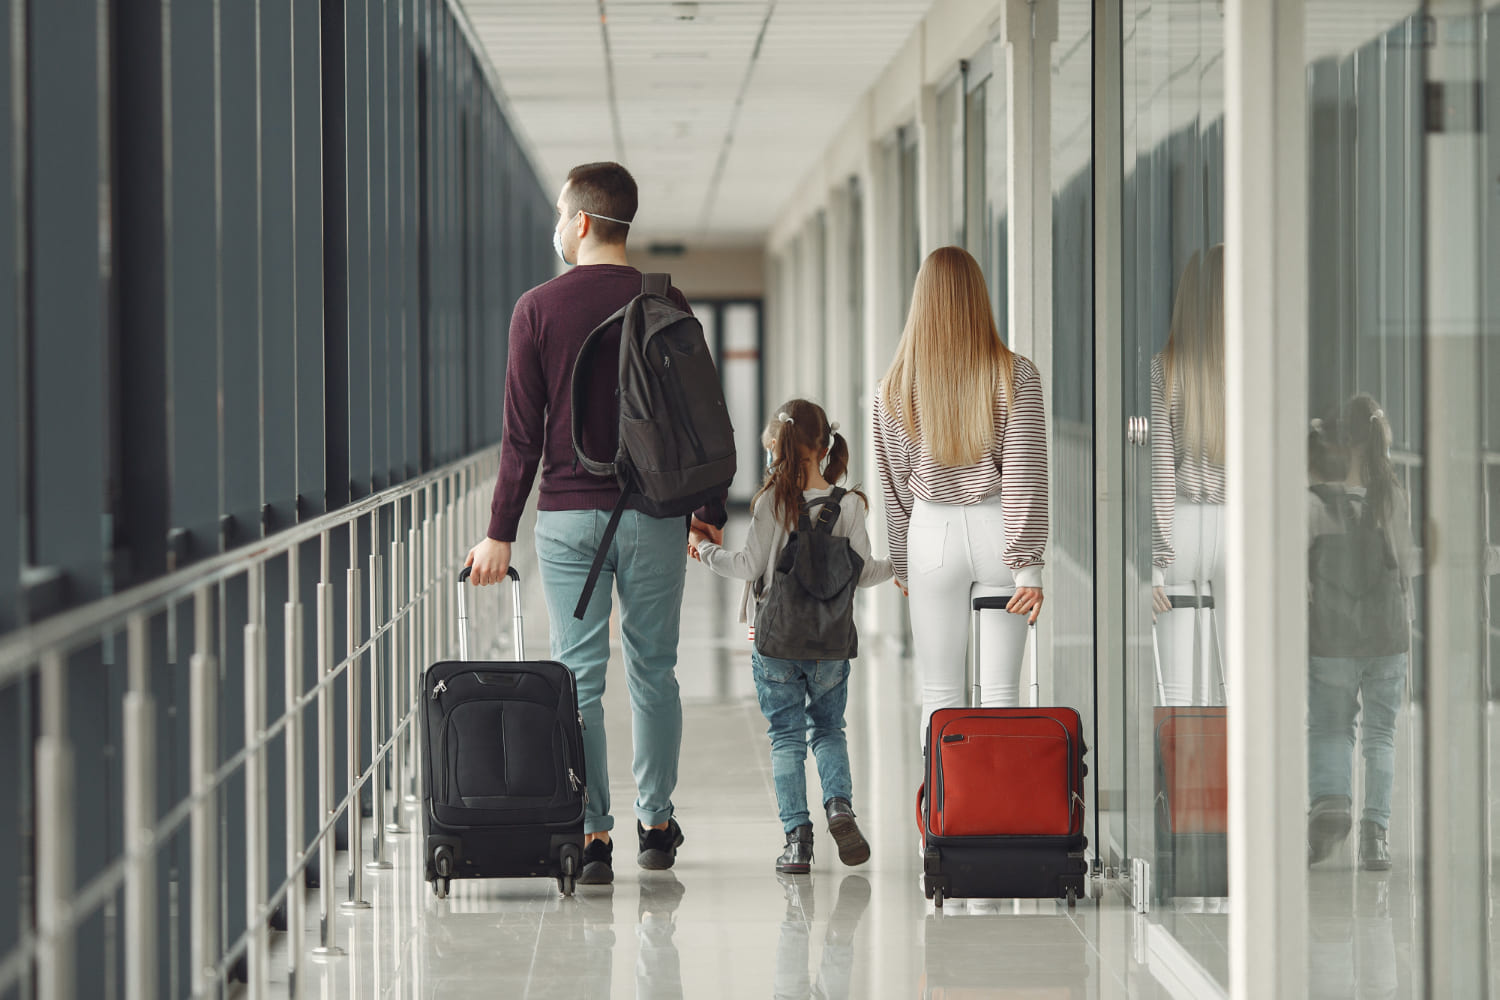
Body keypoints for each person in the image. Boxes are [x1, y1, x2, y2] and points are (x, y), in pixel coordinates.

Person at [465, 161, 726, 887]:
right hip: (655, 516)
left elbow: (521, 438)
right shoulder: (665, 297)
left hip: (569, 518)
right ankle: (656, 823)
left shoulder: (537, 309)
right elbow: (698, 416)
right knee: (655, 672)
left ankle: (592, 834)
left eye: (559, 212)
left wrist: (499, 531)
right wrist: (707, 510)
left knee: (579, 680)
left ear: (579, 221)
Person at [689, 400, 893, 873]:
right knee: (828, 730)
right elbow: (862, 574)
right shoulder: (851, 506)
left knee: (785, 737)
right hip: (831, 646)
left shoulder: (770, 502)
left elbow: (746, 566)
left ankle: (797, 840)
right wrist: (902, 569)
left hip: (777, 643)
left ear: (777, 449)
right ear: (824, 447)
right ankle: (839, 806)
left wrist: (703, 549)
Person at [873, 245, 1048, 739]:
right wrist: (1028, 566)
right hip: (1000, 534)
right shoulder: (1017, 375)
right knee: (1001, 693)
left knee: (941, 693)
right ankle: (1000, 807)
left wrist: (904, 563)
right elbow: (1024, 476)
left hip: (931, 535)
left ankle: (943, 809)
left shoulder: (893, 387)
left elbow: (895, 485)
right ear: (979, 298)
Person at [1305, 396, 1419, 871]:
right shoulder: (1391, 495)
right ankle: (1376, 836)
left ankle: (1332, 804)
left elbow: (1299, 576)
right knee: (1380, 737)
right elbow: (1407, 567)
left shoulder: (1315, 501)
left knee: (1332, 727)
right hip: (1385, 636)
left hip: (1332, 638)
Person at [1150, 245, 1227, 706]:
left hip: (1180, 528)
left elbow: (1160, 470)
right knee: (1239, 682)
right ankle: (1238, 779)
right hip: (1240, 529)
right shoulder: (1256, 368)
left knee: (1176, 689)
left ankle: (1180, 778)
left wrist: (1155, 565)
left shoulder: (1165, 369)